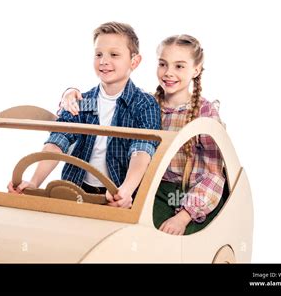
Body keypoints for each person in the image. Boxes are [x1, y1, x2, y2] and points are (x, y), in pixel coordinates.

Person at [60, 34, 226, 234]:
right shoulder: (145, 104)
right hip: (146, 189)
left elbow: (213, 175)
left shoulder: (204, 113)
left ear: (196, 70)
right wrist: (70, 93)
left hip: (189, 195)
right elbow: (102, 102)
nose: (168, 73)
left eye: (179, 66)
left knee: (150, 234)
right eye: (163, 64)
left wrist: (183, 217)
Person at [7, 22, 161, 208]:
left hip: (119, 195)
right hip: (76, 190)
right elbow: (57, 142)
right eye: (98, 54)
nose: (104, 61)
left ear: (134, 61)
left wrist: (126, 190)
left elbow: (142, 151)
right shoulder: (80, 101)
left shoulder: (144, 104)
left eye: (114, 54)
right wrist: (33, 183)